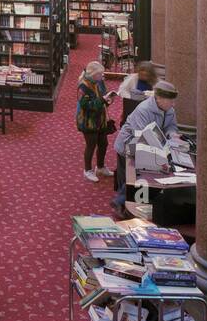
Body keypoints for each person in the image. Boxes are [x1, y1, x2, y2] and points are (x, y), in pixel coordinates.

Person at [112, 80, 183, 217]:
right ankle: (122, 204)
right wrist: (161, 151)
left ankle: (124, 203)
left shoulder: (169, 110)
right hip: (129, 144)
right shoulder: (144, 109)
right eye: (171, 101)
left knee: (140, 175)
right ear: (159, 98)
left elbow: (171, 126)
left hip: (148, 145)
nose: (173, 104)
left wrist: (173, 135)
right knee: (132, 177)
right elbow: (141, 134)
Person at [75, 60, 116, 181]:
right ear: (92, 74)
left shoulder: (99, 82)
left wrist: (109, 100)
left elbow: (102, 99)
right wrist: (103, 100)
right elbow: (86, 106)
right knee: (91, 145)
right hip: (88, 122)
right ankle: (87, 170)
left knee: (103, 143)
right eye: (100, 74)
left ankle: (101, 167)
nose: (102, 76)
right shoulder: (83, 86)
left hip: (100, 119)